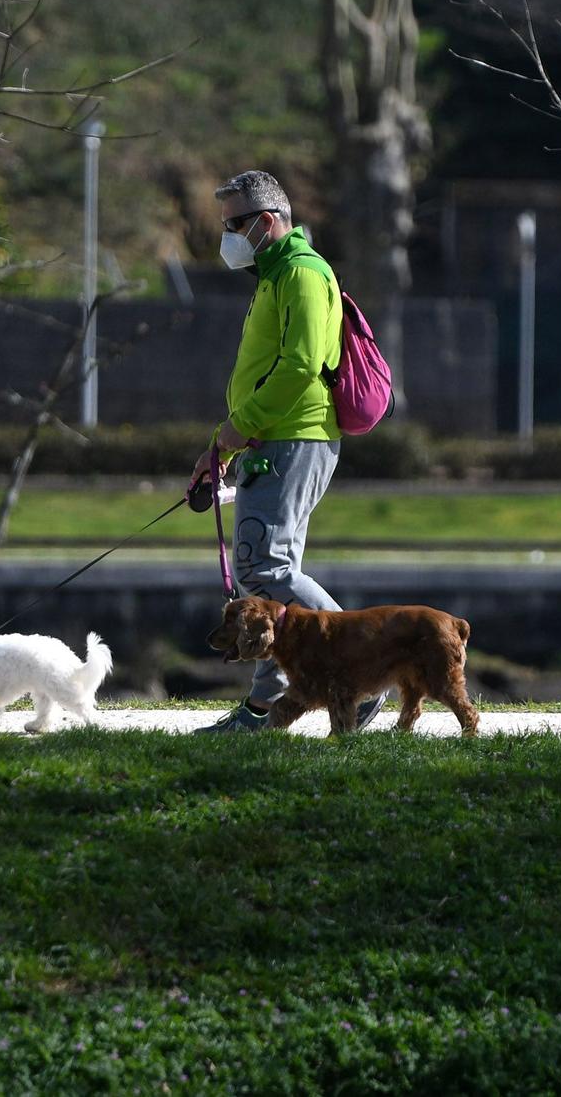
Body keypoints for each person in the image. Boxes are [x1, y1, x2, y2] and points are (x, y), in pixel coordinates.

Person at [193, 170, 385, 734]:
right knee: (271, 577)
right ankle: (263, 711)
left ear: (268, 222)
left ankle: (361, 675)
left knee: (262, 567)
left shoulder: (301, 275)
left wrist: (239, 426)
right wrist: (221, 444)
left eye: (235, 225)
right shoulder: (276, 276)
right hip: (271, 438)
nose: (227, 236)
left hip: (292, 437)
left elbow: (300, 367)